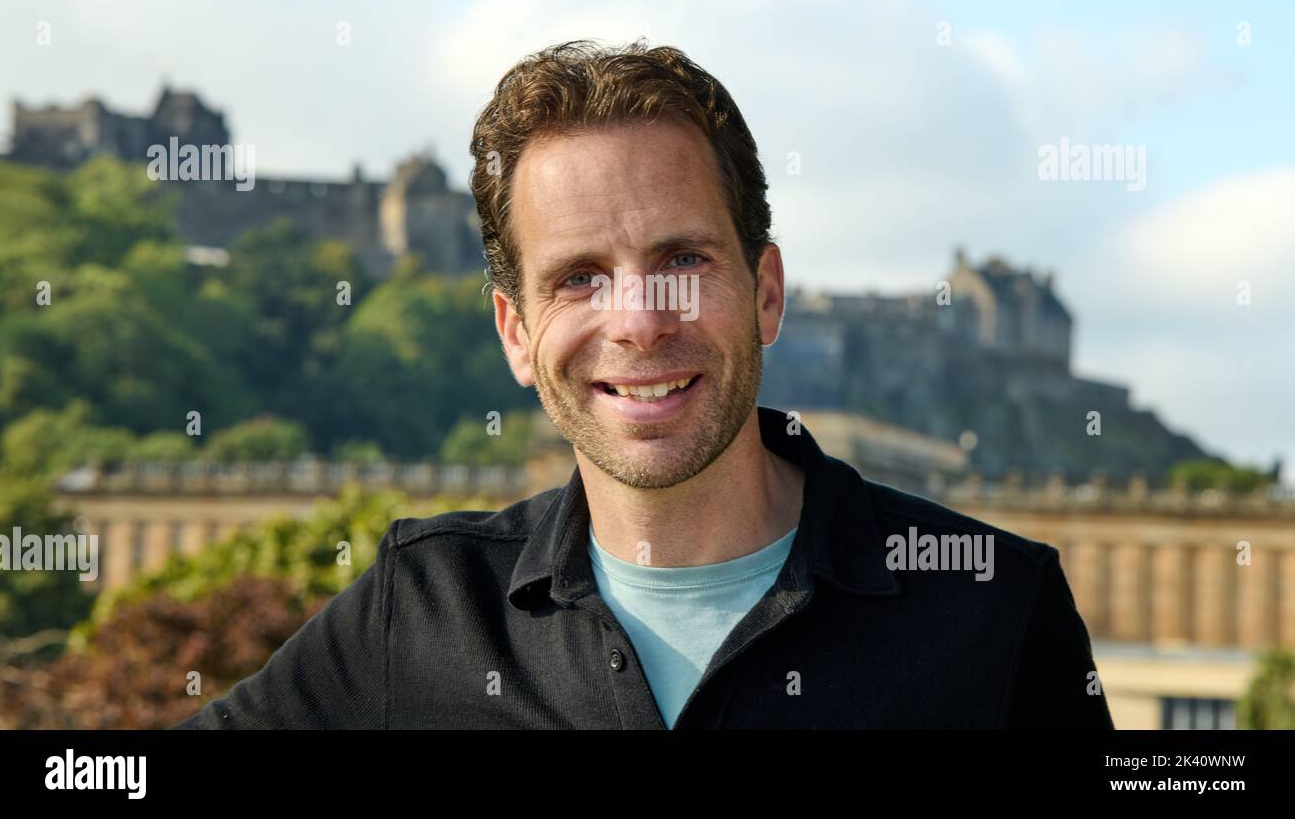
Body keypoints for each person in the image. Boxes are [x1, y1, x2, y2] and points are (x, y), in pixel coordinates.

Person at [174, 39, 1114, 729]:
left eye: (682, 260)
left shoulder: (994, 607)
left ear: (768, 295)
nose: (637, 319)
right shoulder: (423, 608)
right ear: (517, 330)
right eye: (579, 276)